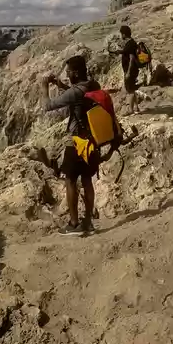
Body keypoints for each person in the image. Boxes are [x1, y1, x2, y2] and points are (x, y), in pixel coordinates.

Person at [41, 55, 113, 236]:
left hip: (76, 143)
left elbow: (47, 106)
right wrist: (61, 85)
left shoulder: (75, 92)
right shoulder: (93, 85)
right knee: (88, 180)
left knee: (70, 181)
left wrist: (44, 87)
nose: (67, 75)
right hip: (92, 142)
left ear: (75, 72)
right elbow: (79, 95)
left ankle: (73, 224)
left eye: (68, 73)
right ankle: (88, 222)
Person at [117, 25, 140, 114]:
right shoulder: (131, 43)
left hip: (130, 70)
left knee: (129, 89)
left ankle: (130, 110)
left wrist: (129, 72)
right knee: (132, 89)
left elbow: (132, 58)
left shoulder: (130, 44)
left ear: (124, 34)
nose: (121, 36)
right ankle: (136, 108)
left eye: (121, 34)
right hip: (132, 70)